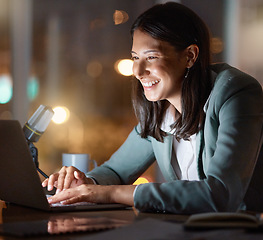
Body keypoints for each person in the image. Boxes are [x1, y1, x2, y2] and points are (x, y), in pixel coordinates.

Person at [43, 2, 263, 214]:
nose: (138, 70)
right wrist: (86, 183)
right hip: (193, 230)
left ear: (190, 56)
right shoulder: (160, 111)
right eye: (135, 57)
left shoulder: (236, 93)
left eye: (151, 57)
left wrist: (108, 194)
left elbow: (220, 195)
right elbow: (115, 171)